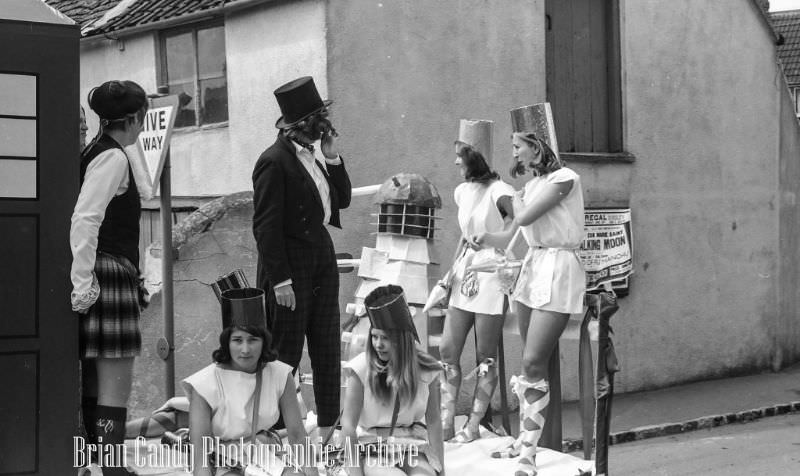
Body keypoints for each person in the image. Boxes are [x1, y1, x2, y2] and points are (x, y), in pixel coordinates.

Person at [474, 120, 585, 476]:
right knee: (527, 363)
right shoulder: (534, 184)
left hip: (559, 267)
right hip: (534, 264)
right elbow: (514, 232)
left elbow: (523, 214)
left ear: (537, 148)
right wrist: (488, 242)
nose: (514, 153)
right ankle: (524, 441)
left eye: (518, 146)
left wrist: (514, 194)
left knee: (534, 362)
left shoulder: (565, 178)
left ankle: (530, 455)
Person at [252, 76, 352, 436]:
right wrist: (280, 280)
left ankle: (328, 428)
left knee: (326, 344)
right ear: (300, 126)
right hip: (289, 264)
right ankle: (276, 431)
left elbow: (342, 199)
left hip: (321, 255)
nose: (323, 127)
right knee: (286, 354)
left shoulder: (315, 155)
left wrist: (332, 156)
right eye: (318, 122)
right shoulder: (273, 161)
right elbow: (265, 226)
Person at [70, 80, 149, 476]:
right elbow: (86, 217)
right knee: (114, 383)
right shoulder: (113, 158)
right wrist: (82, 284)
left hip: (99, 271)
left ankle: (96, 464)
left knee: (94, 382)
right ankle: (113, 468)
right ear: (134, 119)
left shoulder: (95, 151)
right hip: (108, 272)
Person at [182, 288, 314, 476]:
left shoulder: (280, 374)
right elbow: (200, 455)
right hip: (222, 457)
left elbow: (297, 435)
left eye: (253, 339)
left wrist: (311, 473)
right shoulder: (204, 384)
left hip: (264, 451)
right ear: (227, 342)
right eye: (237, 340)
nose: (245, 349)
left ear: (264, 341)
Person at [439, 119, 515, 443]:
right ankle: (445, 420)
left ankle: (472, 425)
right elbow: (463, 235)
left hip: (491, 273)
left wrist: (492, 239)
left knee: (485, 355)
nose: (456, 161)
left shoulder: (501, 191)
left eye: (460, 154)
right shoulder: (462, 191)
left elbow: (517, 224)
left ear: (474, 156)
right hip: (465, 270)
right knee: (447, 350)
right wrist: (449, 273)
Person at [340, 285, 444, 476]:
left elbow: (435, 421)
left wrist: (441, 470)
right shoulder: (360, 368)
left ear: (402, 339)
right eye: (374, 337)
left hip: (411, 444)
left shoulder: (427, 370)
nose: (378, 345)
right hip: (371, 446)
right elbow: (348, 426)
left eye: (385, 338)